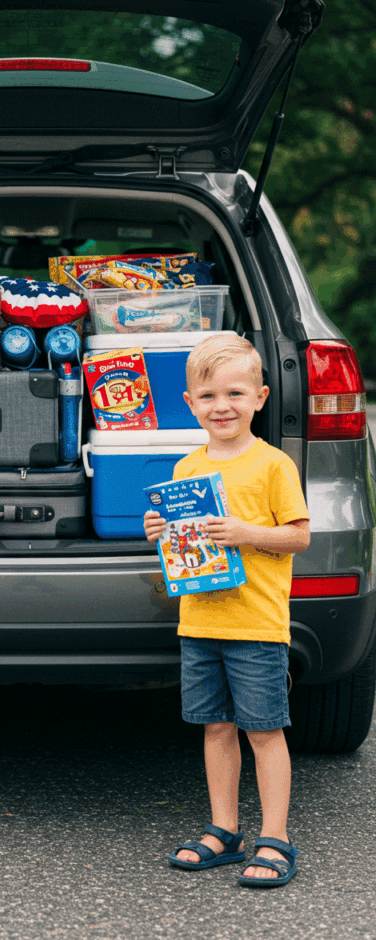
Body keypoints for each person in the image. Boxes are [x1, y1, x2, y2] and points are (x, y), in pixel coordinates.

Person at [143, 335, 310, 888]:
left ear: (260, 397)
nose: (223, 405)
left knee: (263, 731)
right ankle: (224, 829)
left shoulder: (273, 465)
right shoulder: (187, 467)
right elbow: (185, 542)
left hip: (256, 624)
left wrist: (246, 533)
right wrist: (160, 533)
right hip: (201, 622)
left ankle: (276, 837)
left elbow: (298, 537)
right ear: (190, 403)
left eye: (236, 393)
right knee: (216, 728)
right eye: (209, 395)